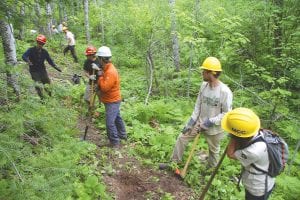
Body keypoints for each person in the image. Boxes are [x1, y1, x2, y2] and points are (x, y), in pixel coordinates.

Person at [160, 57, 233, 169]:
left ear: (211, 73)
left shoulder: (224, 92)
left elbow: (227, 114)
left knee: (213, 151)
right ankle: (174, 163)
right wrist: (191, 122)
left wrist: (209, 122)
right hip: (199, 123)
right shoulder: (204, 86)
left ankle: (209, 172)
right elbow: (198, 105)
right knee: (182, 137)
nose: (202, 73)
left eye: (204, 71)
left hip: (215, 129)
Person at [221, 108, 275, 200]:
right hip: (261, 180)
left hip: (258, 188)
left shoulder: (254, 151)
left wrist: (233, 136)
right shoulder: (256, 132)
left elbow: (230, 154)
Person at [96, 46, 127, 148]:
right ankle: (122, 135)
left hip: (112, 100)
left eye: (98, 58)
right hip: (112, 99)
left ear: (101, 59)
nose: (97, 60)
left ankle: (114, 142)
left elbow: (104, 87)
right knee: (117, 118)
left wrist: (100, 77)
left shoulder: (110, 71)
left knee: (110, 123)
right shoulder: (106, 68)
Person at [22, 34, 61, 99]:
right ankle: (42, 99)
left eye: (42, 44)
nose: (40, 45)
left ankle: (50, 97)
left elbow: (50, 61)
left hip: (42, 71)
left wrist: (56, 67)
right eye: (39, 43)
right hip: (34, 71)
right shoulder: (31, 50)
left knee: (47, 84)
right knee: (38, 86)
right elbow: (24, 56)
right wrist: (28, 61)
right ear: (37, 42)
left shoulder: (44, 52)